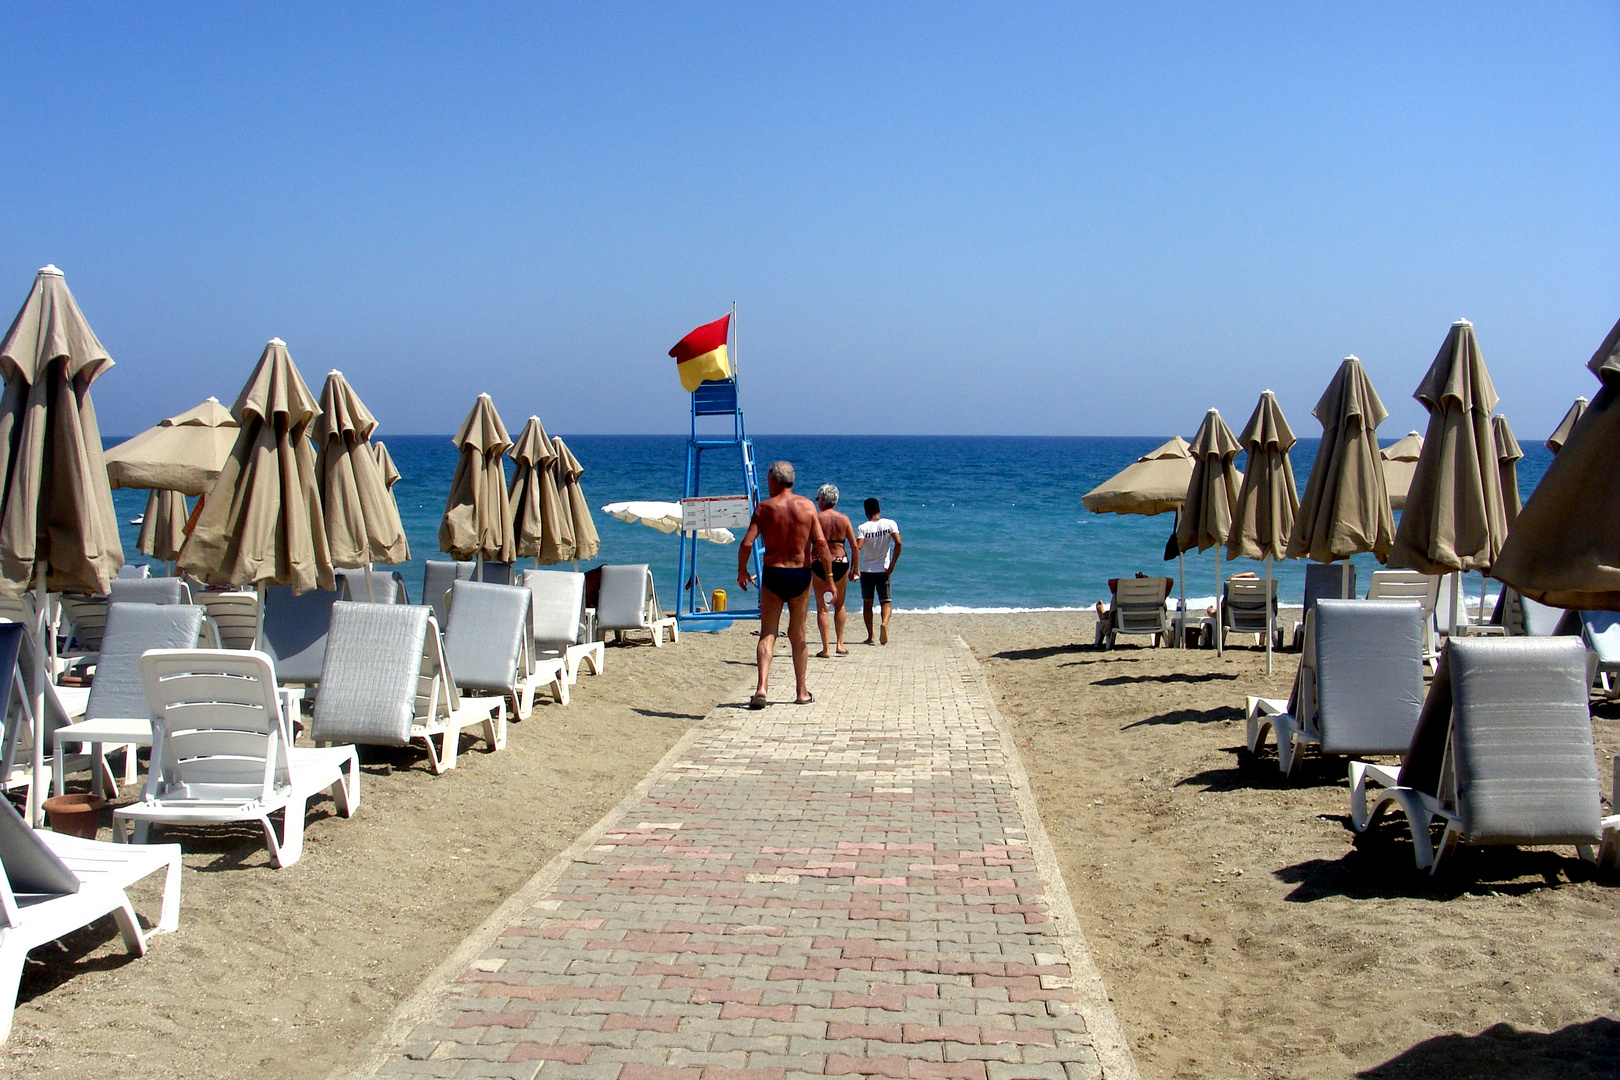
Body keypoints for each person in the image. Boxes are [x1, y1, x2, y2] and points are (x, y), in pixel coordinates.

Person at [737, 461, 832, 708]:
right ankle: (801, 692)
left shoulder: (765, 508)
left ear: (772, 482)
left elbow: (747, 543)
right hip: (800, 574)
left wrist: (742, 571)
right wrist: (830, 579)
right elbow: (821, 544)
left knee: (768, 632)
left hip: (774, 573)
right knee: (797, 633)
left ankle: (762, 688)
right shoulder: (808, 506)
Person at [810, 483, 856, 658]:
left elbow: (807, 544)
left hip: (819, 562)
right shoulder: (843, 519)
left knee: (822, 608)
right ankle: (840, 644)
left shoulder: (816, 518)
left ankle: (825, 648)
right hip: (840, 561)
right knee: (840, 604)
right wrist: (855, 568)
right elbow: (854, 546)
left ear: (822, 500)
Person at [854, 497, 902, 645]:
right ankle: (884, 624)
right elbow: (898, 543)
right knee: (886, 602)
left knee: (867, 604)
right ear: (879, 510)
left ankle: (871, 636)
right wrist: (892, 564)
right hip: (884, 570)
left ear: (866, 513)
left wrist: (854, 568)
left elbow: (858, 548)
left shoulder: (863, 527)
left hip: (867, 570)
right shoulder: (890, 524)